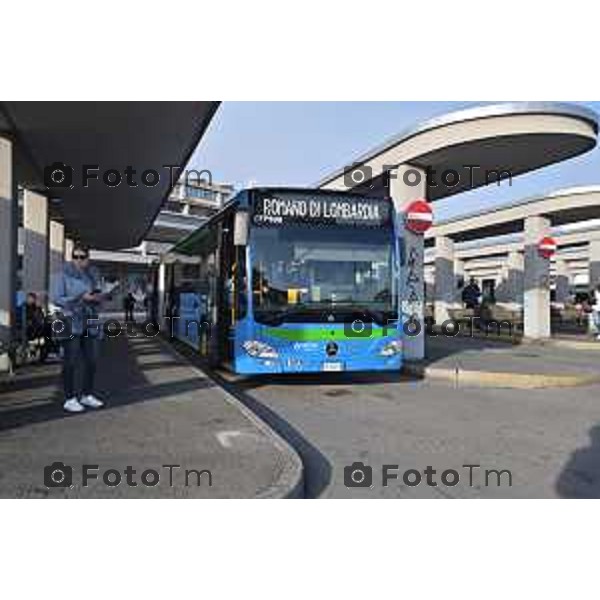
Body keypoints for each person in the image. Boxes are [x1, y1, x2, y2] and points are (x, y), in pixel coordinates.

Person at [51, 242, 105, 413]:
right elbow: (56, 298)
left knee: (92, 360)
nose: (78, 260)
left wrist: (101, 297)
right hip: (72, 321)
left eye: (82, 257)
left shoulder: (93, 274)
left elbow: (98, 294)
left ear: (88, 259)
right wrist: (81, 297)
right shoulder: (62, 274)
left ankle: (87, 394)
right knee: (71, 361)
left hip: (91, 320)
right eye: (76, 256)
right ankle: (69, 398)